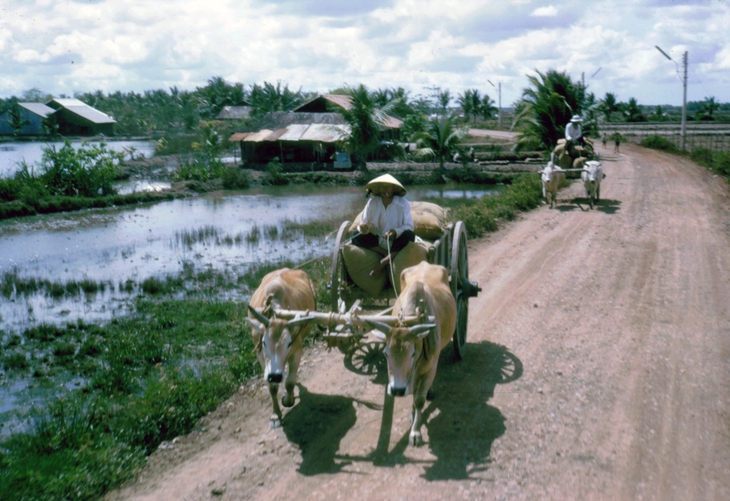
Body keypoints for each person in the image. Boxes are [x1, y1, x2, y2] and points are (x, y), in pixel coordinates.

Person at [353, 174, 415, 275]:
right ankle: (385, 253)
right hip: (378, 241)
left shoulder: (403, 203)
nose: (384, 189)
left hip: (396, 241)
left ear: (394, 189)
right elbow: (363, 223)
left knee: (410, 235)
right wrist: (363, 228)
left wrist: (395, 232)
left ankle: (384, 262)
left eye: (387, 186)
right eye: (382, 186)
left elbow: (409, 226)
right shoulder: (372, 202)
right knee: (355, 235)